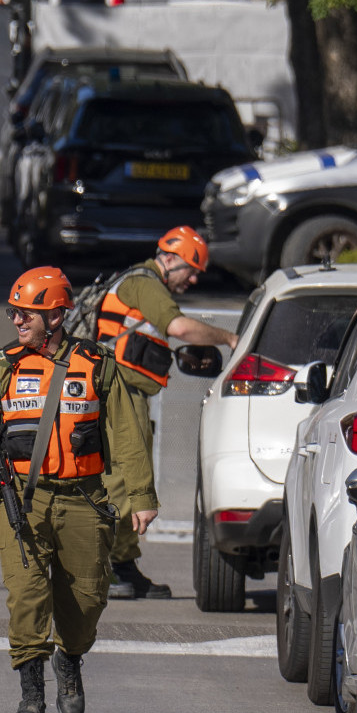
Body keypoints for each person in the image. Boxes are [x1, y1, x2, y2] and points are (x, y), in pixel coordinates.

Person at [0, 266, 157, 713]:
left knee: (86, 601)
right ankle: (31, 695)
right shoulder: (0, 367)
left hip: (83, 500)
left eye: (28, 314)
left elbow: (126, 433)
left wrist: (141, 494)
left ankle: (70, 659)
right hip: (22, 502)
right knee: (25, 597)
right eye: (14, 312)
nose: (17, 321)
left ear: (58, 316)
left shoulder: (97, 364)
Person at [91, 225, 238, 600]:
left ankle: (121, 565)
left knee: (126, 478)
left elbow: (145, 338)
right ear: (169, 258)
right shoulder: (145, 283)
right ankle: (101, 565)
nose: (193, 279)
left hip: (124, 393)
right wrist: (229, 338)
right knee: (124, 480)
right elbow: (178, 327)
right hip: (119, 395)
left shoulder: (140, 285)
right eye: (190, 269)